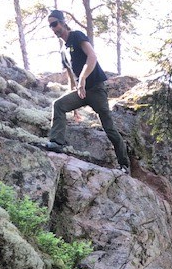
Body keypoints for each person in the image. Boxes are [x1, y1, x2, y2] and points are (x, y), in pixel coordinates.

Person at [46, 10, 130, 174]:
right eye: (50, 26)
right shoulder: (63, 50)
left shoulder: (77, 36)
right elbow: (71, 77)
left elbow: (92, 56)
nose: (53, 28)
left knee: (109, 129)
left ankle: (124, 165)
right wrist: (74, 104)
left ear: (63, 22)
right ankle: (56, 143)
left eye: (54, 23)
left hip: (96, 89)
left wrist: (83, 78)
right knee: (59, 105)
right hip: (81, 92)